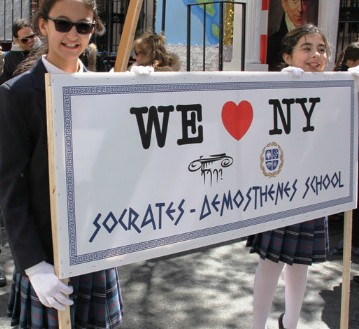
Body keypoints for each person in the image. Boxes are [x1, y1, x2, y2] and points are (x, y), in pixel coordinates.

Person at [0, 0, 124, 328]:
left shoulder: (108, 89)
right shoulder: (17, 94)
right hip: (46, 254)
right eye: (63, 24)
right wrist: (33, 265)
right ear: (43, 25)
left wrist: (146, 92)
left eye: (83, 26)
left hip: (97, 244)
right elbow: (11, 186)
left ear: (93, 28)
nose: (73, 35)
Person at [248, 24, 330, 329]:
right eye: (306, 49)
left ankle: (291, 322)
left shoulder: (337, 90)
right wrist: (283, 84)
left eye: (321, 49)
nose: (315, 55)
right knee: (270, 262)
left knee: (300, 262)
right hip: (279, 188)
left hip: (314, 189)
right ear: (288, 56)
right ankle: (258, 325)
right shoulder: (279, 85)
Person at [267, 0, 311, 71]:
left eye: (304, 2)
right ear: (284, 3)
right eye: (295, 2)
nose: (300, 9)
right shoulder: (271, 44)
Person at [0, 18, 41, 84]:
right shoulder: (9, 58)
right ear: (17, 40)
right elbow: (5, 83)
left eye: (32, 36)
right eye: (24, 40)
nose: (30, 41)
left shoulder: (45, 52)